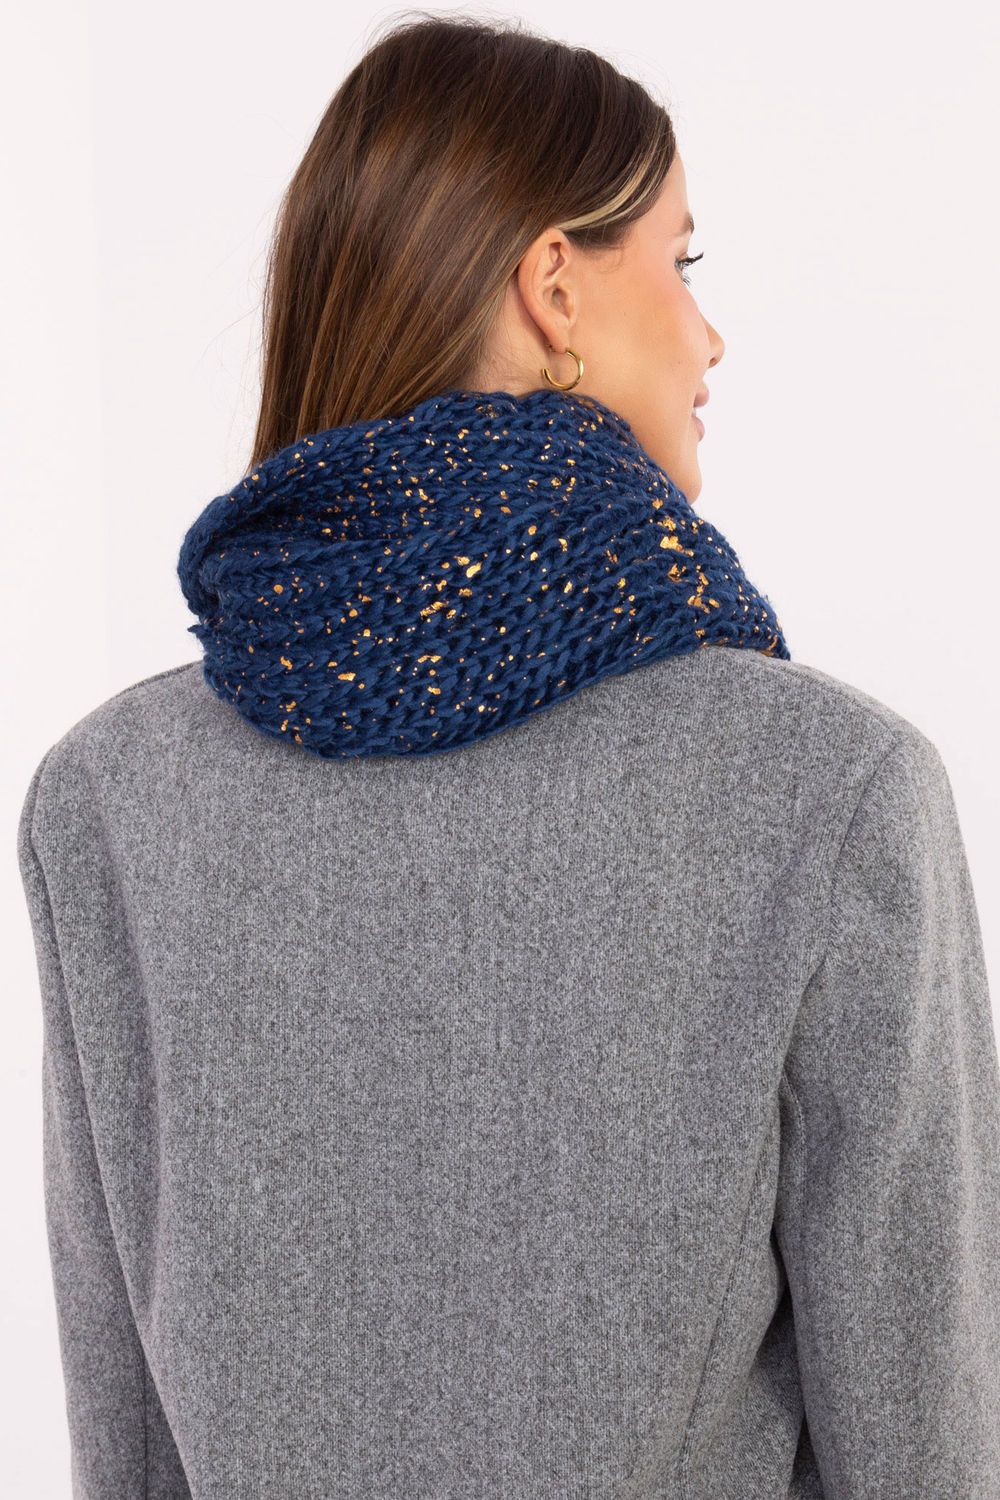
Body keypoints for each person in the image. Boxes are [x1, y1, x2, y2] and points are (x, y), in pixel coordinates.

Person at [17, 12, 1000, 1498]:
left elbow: (129, 1457)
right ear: (556, 287)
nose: (710, 336)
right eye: (682, 262)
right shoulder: (833, 792)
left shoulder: (107, 800)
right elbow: (929, 1456)